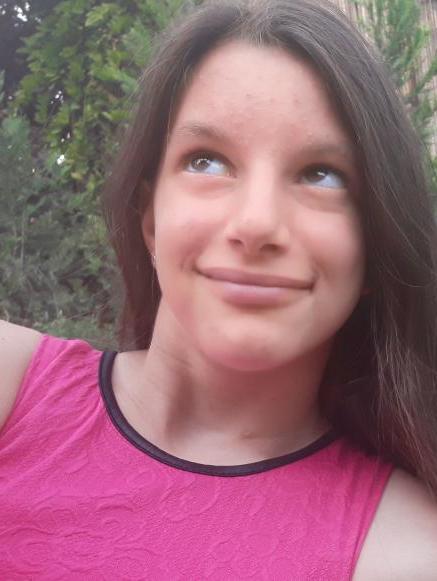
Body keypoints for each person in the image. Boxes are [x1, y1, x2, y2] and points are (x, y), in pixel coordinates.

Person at [1, 0, 437, 578]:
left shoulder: (409, 551)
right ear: (150, 219)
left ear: (375, 247)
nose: (255, 224)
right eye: (206, 162)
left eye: (322, 174)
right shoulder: (12, 385)